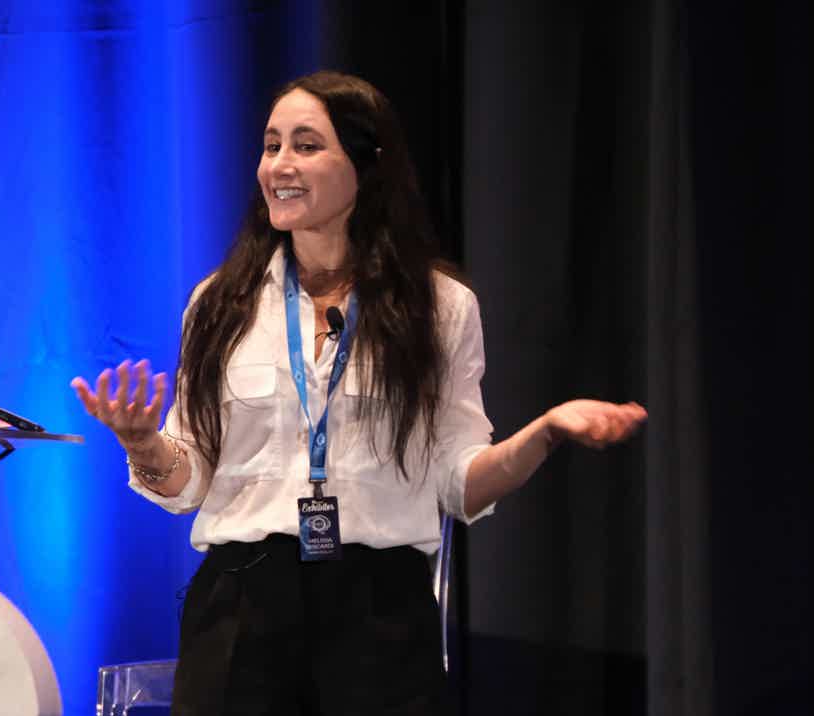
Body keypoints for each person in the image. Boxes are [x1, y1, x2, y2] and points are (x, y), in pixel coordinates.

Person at [70, 70, 646, 716]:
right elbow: (192, 479)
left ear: (366, 167)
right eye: (271, 145)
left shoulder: (441, 309)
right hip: (241, 608)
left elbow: (461, 482)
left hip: (379, 616)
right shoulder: (218, 305)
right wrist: (145, 443)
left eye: (306, 145)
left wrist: (543, 434)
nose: (279, 165)